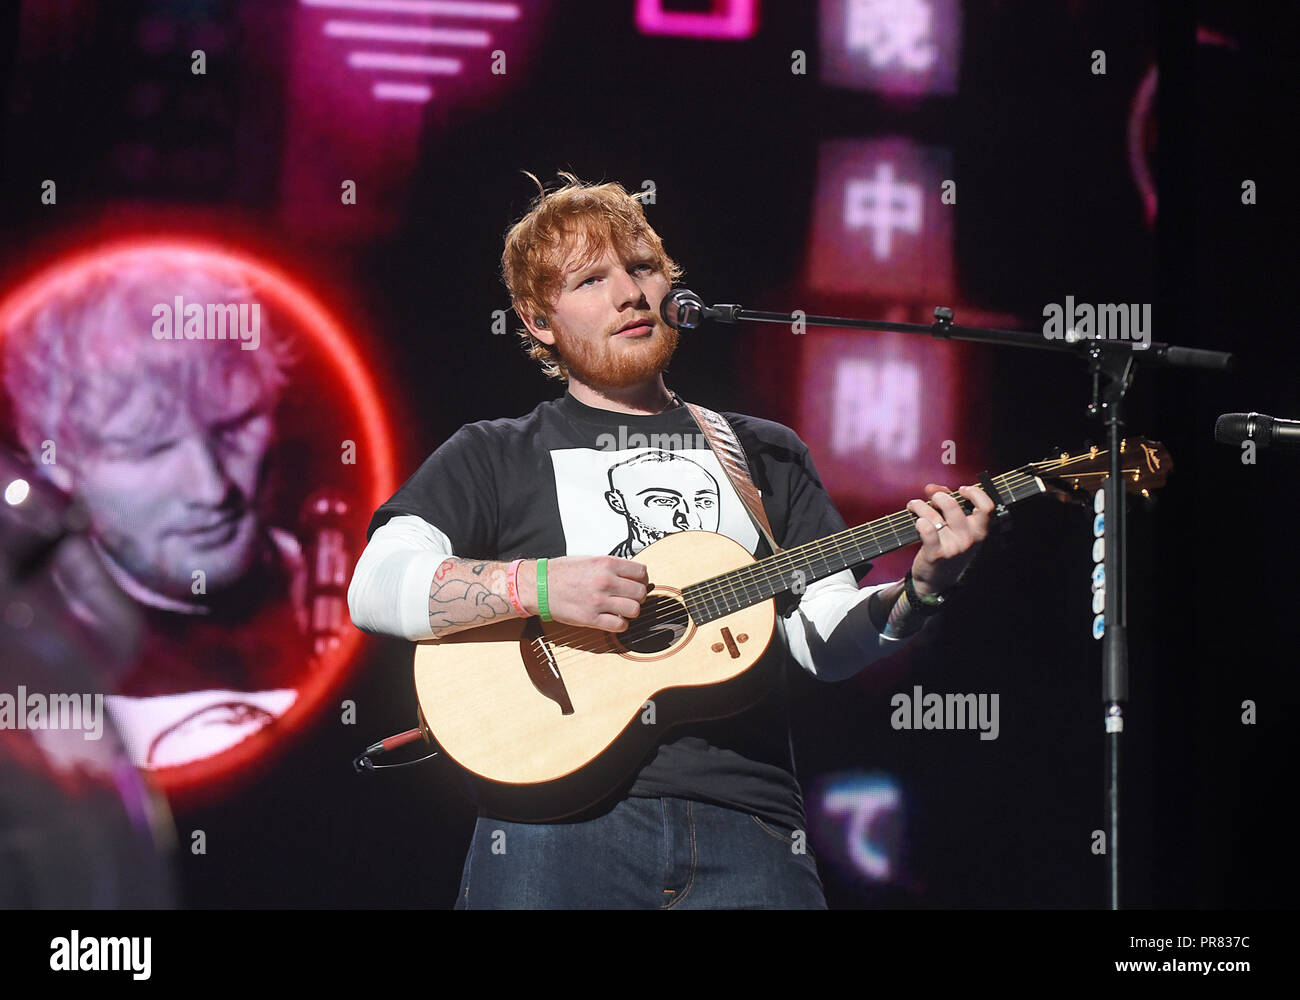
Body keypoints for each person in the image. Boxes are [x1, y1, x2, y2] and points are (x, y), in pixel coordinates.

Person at [347, 171, 996, 908]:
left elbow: (821, 640)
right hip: (549, 828)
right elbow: (375, 585)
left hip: (748, 829)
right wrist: (541, 586)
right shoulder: (494, 452)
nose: (629, 292)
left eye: (643, 267)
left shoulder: (764, 452)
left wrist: (922, 588)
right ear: (536, 321)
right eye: (591, 279)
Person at [2, 249, 311, 772]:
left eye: (236, 424)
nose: (212, 489)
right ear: (52, 458)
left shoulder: (355, 599)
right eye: (148, 448)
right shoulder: (26, 661)